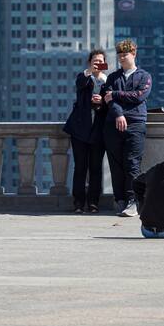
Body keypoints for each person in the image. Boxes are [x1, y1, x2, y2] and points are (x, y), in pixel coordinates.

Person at [103, 39, 153, 218]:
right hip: (113, 124)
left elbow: (139, 96)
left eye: (125, 54)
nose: (122, 58)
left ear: (134, 54)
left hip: (136, 124)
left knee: (132, 163)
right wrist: (119, 114)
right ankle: (120, 199)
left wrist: (116, 94)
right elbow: (108, 101)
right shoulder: (112, 77)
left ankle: (133, 201)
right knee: (116, 165)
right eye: (120, 55)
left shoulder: (144, 76)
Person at [62, 49, 108, 213]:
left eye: (100, 61)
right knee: (80, 167)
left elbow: (111, 103)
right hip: (80, 130)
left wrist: (101, 101)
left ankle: (94, 202)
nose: (97, 63)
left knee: (95, 168)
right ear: (89, 62)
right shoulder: (84, 77)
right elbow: (80, 83)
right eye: (95, 60)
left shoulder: (107, 81)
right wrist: (90, 71)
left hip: (98, 130)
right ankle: (78, 203)